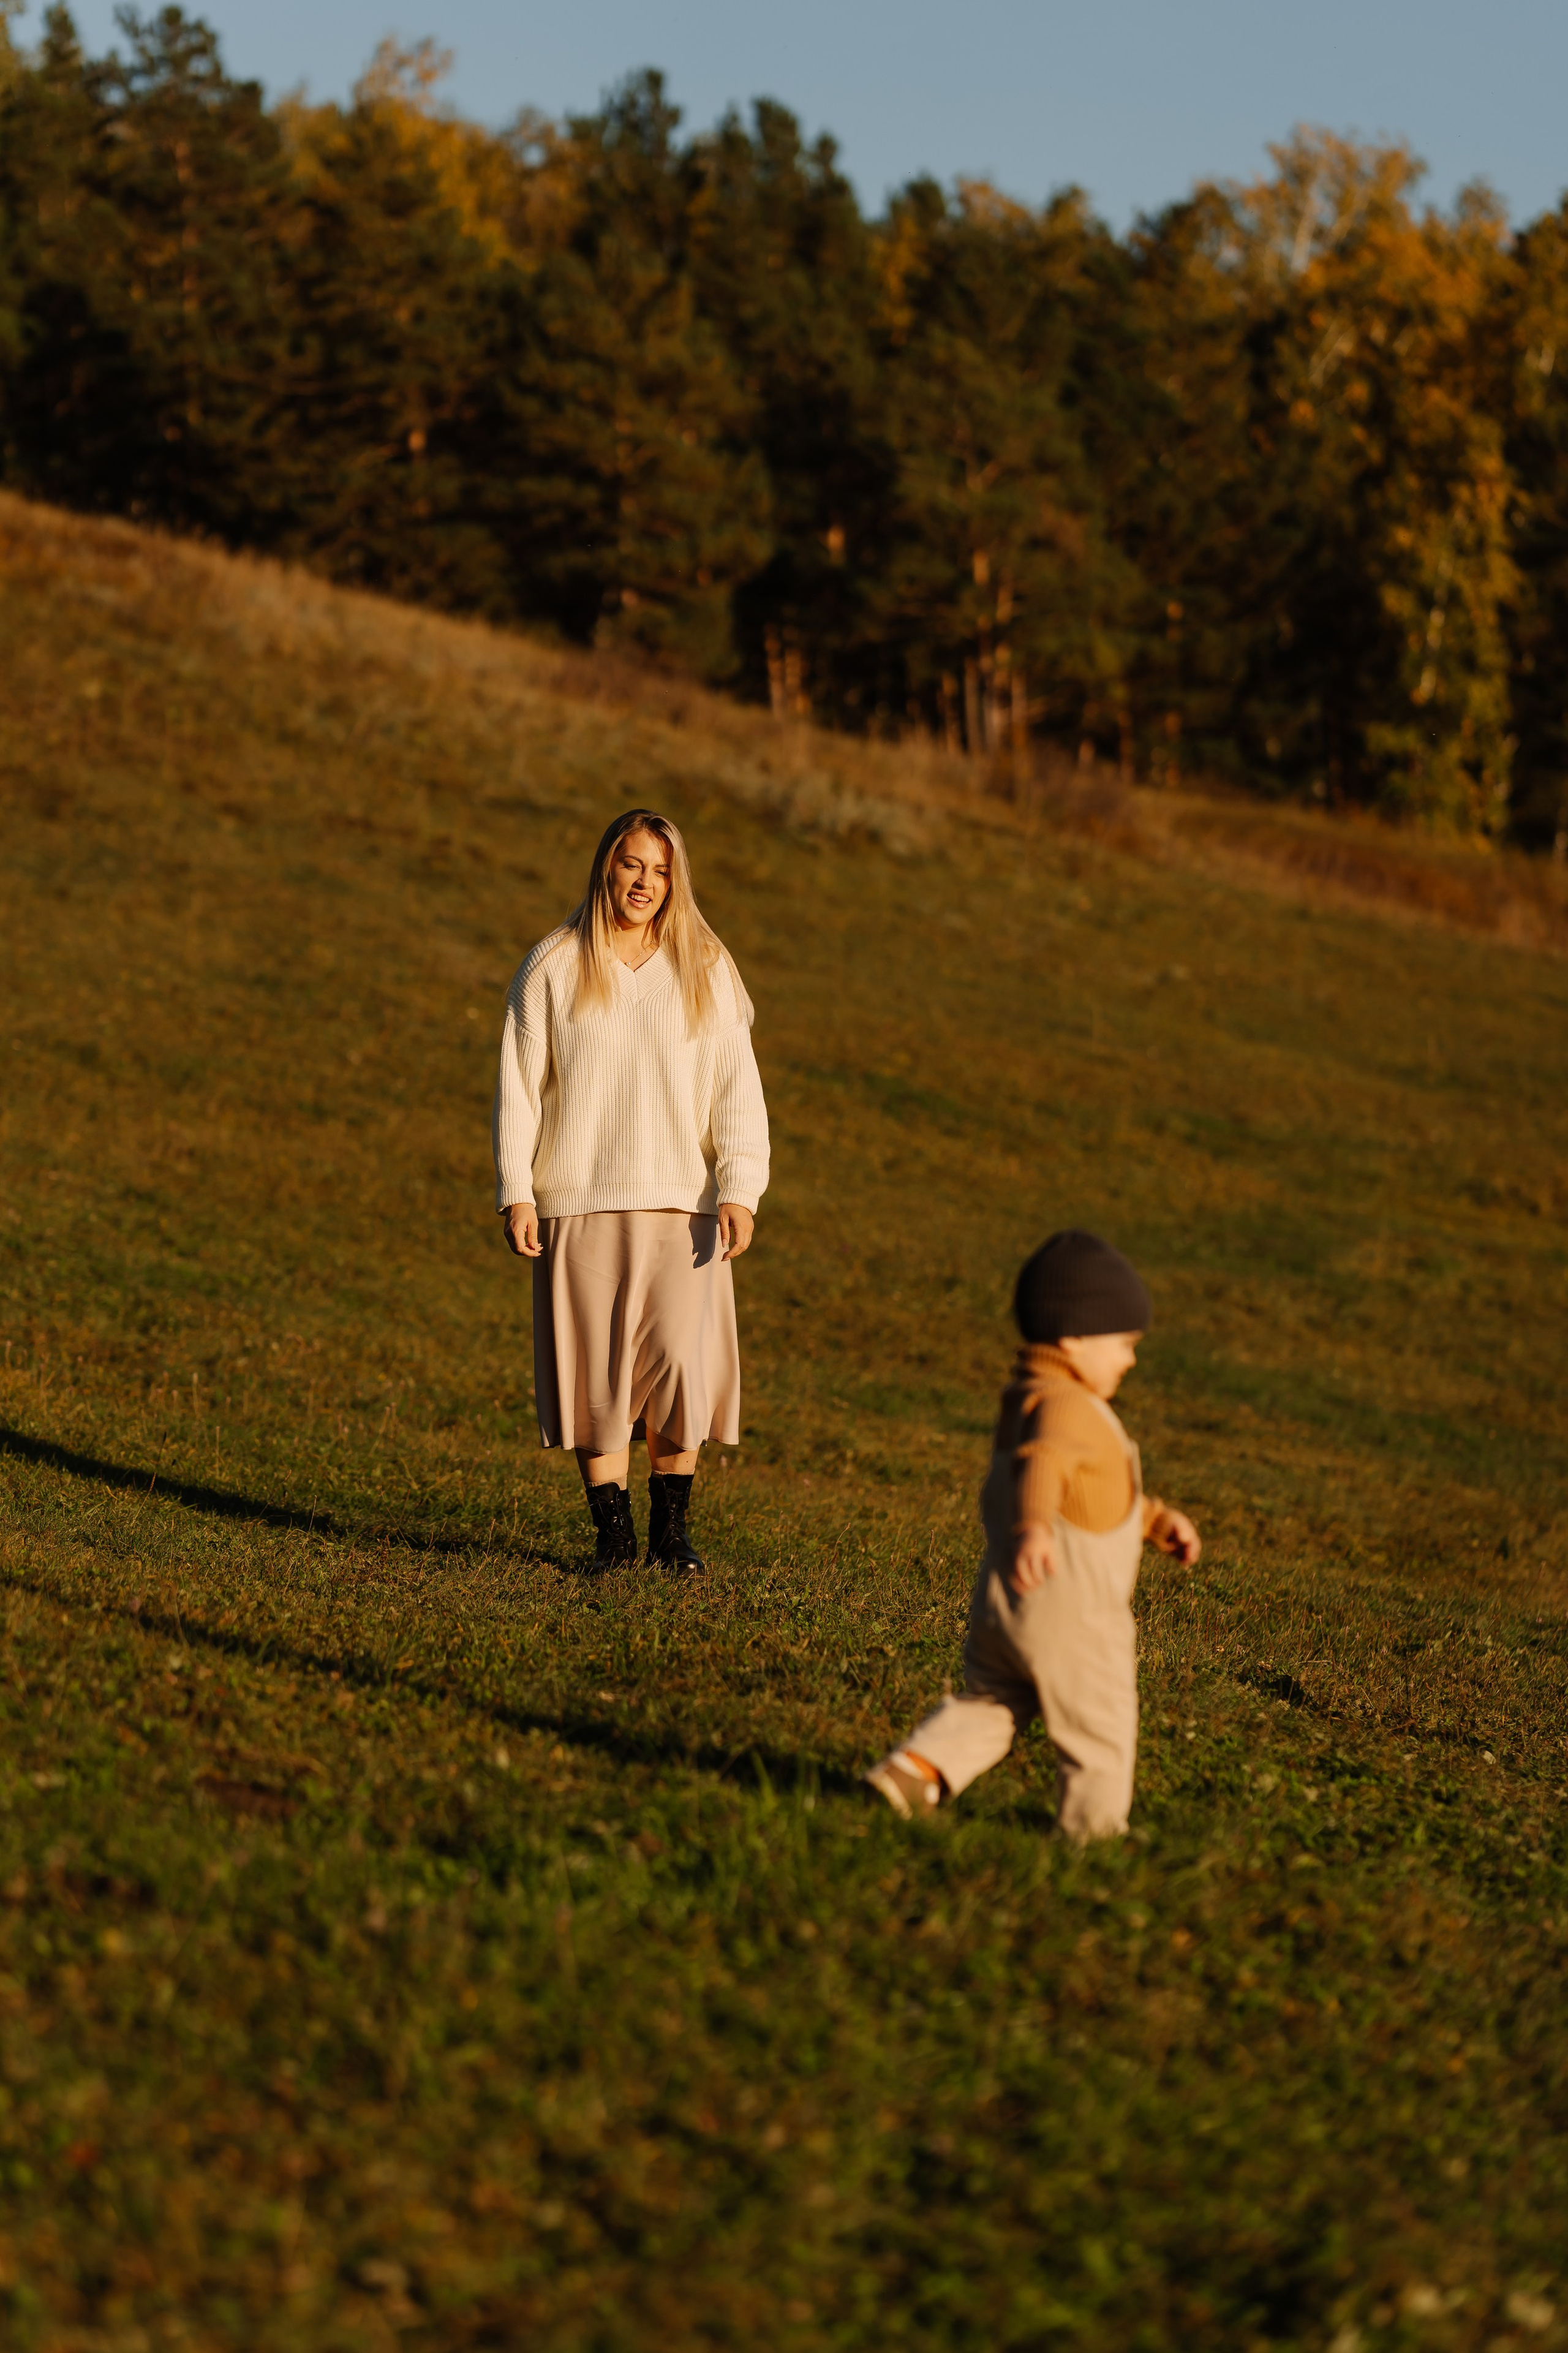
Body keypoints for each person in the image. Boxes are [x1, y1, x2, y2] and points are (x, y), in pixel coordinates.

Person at [493, 809, 769, 1569]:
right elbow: (519, 1087)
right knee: (596, 1376)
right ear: (605, 868)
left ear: (675, 879)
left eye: (659, 869)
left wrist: (741, 1186)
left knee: (680, 1366)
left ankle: (671, 1534)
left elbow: (736, 1090)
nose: (644, 882)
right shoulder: (552, 963)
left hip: (684, 1206)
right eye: (630, 865)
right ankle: (613, 1541)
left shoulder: (707, 966)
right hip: (579, 1200)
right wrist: (517, 1189)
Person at [865, 1229, 1200, 1840]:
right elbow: (1046, 1465)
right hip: (1067, 1607)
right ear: (1075, 1336)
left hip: (1006, 1604)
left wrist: (1154, 1520)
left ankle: (916, 1771)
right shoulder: (1066, 1406)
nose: (1131, 1358)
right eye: (1124, 1343)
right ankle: (1093, 1831)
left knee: (995, 1700)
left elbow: (1090, 1489)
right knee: (1099, 1717)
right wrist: (1034, 1527)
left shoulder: (1028, 1396)